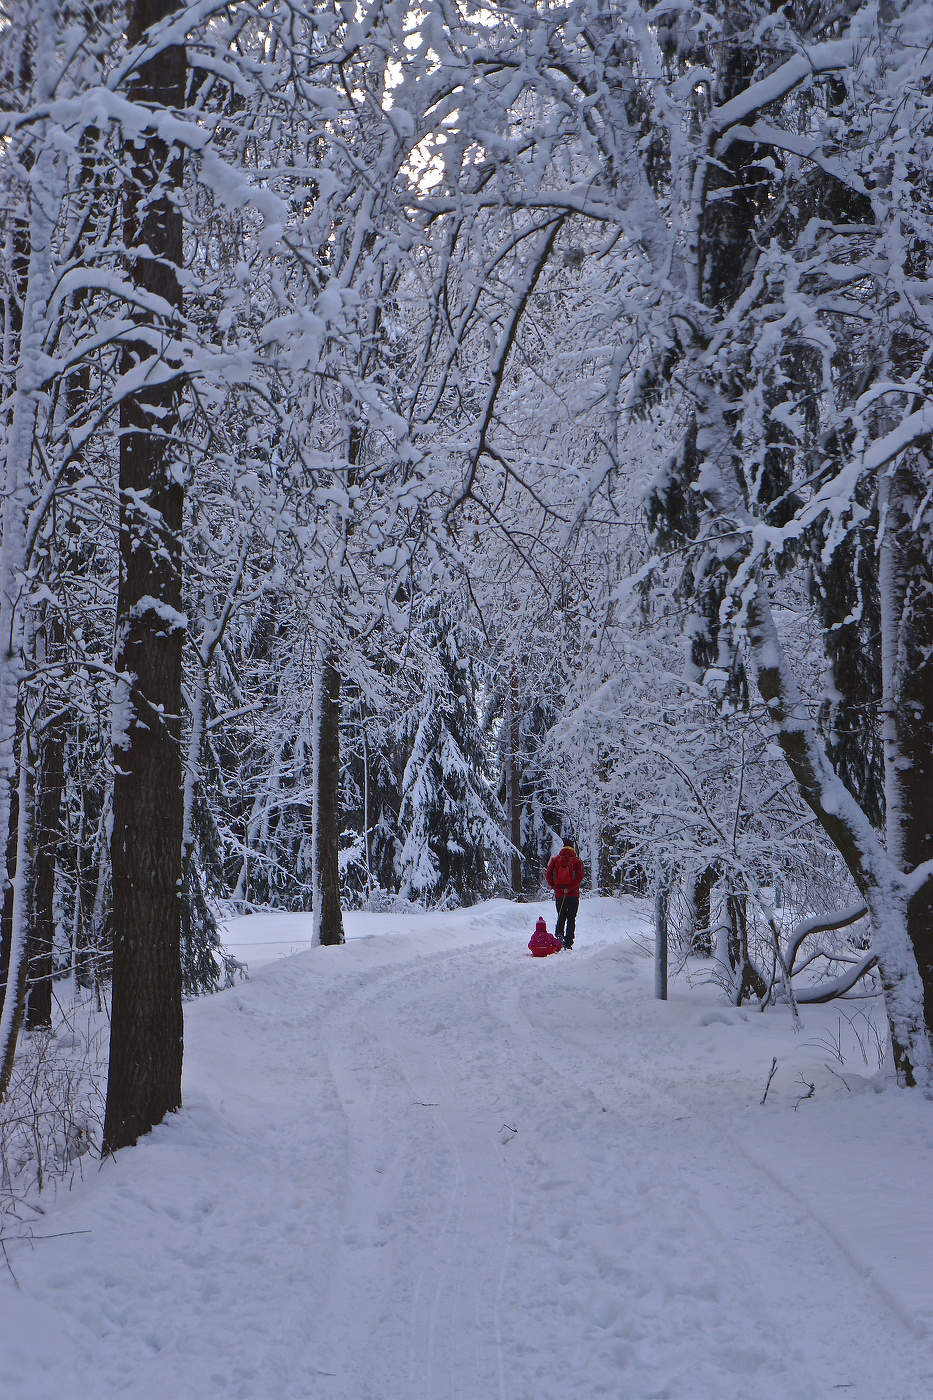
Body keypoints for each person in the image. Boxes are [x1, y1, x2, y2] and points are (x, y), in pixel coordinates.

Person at [545, 839, 584, 949]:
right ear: (572, 848)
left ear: (563, 847)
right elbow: (579, 877)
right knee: (571, 918)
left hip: (559, 894)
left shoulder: (555, 860)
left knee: (561, 916)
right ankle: (568, 942)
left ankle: (559, 938)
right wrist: (570, 888)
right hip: (573, 894)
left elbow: (548, 875)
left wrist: (555, 887)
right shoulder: (577, 861)